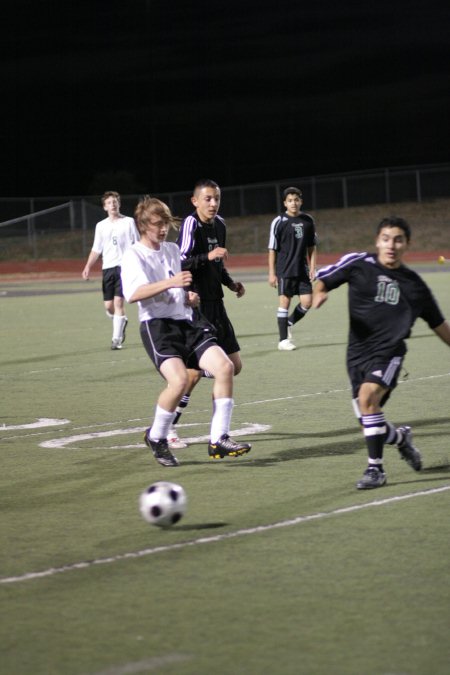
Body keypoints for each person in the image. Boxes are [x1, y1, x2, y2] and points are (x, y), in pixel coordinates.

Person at [313, 216, 450, 489]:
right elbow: (323, 279)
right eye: (386, 239)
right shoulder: (359, 263)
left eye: (398, 240)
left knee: (368, 398)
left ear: (407, 244)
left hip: (389, 354)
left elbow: (440, 326)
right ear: (377, 241)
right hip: (356, 353)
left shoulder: (415, 286)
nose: (391, 245)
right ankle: (401, 439)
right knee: (367, 418)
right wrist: (319, 293)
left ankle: (375, 470)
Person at [120, 195, 251, 467]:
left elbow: (177, 286)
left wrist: (187, 296)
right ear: (143, 226)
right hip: (158, 326)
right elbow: (134, 293)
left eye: (165, 223)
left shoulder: (169, 249)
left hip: (187, 320)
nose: (163, 228)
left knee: (225, 366)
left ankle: (219, 440)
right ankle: (157, 437)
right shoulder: (133, 254)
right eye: (157, 224)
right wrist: (172, 283)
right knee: (179, 381)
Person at [168, 178, 246, 449]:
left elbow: (217, 263)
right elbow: (180, 261)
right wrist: (208, 257)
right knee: (192, 374)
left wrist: (231, 283)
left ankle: (206, 367)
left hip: (217, 303)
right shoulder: (191, 224)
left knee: (234, 366)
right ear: (195, 201)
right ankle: (169, 429)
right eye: (208, 199)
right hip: (196, 306)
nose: (213, 204)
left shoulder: (221, 224)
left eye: (216, 199)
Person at [82, 191, 138, 350]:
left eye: (115, 202)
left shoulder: (129, 222)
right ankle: (121, 321)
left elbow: (137, 243)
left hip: (125, 267)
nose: (112, 205)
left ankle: (116, 339)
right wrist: (87, 266)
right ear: (105, 207)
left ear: (119, 204)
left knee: (119, 302)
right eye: (109, 203)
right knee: (109, 306)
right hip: (108, 268)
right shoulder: (101, 226)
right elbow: (96, 249)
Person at [268, 187, 317, 351]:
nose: (293, 203)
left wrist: (312, 267)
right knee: (284, 302)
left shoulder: (308, 221)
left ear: (301, 201)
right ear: (285, 203)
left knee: (307, 302)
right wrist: (272, 273)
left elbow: (312, 247)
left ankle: (288, 323)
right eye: (290, 200)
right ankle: (283, 341)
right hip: (285, 269)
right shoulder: (278, 222)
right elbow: (272, 249)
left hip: (302, 269)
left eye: (296, 200)